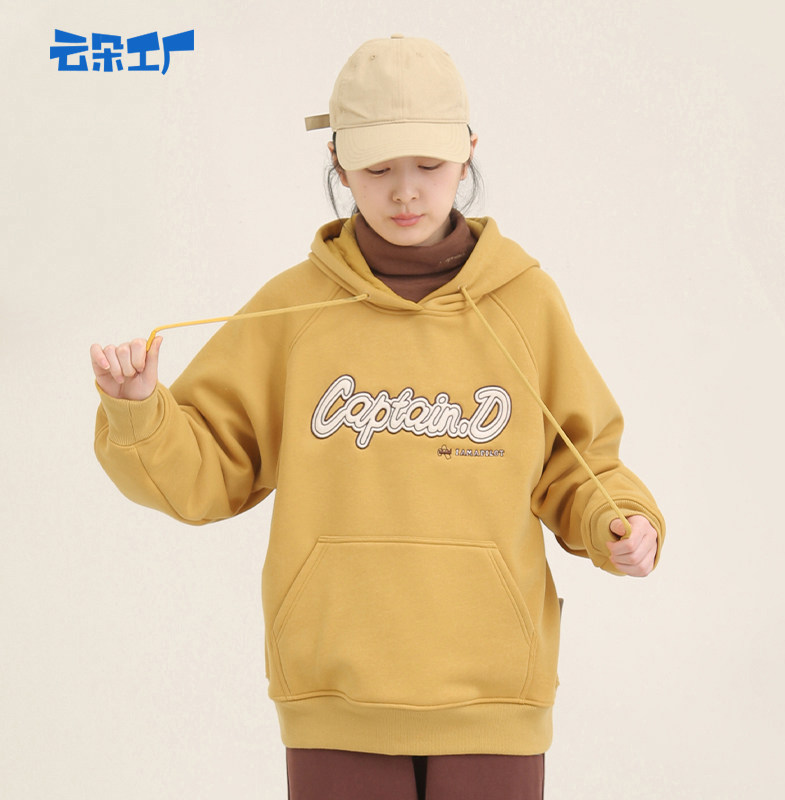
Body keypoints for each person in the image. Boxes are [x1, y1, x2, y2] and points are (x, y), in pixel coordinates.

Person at [91, 35, 665, 800]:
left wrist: (619, 521)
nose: (405, 193)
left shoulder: (525, 303)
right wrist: (140, 412)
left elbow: (578, 463)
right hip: (335, 694)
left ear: (467, 153)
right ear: (338, 164)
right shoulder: (293, 309)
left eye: (427, 166)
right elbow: (208, 472)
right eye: (377, 169)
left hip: (494, 693)